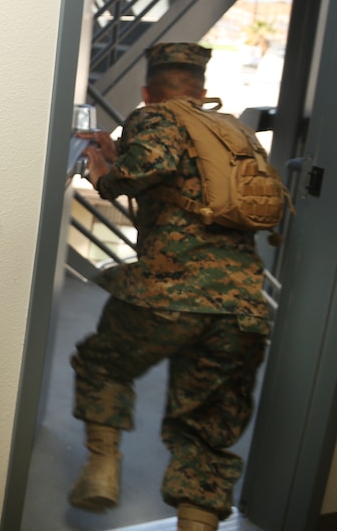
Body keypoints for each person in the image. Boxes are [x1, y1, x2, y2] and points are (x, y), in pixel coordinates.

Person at [69, 42, 271, 531]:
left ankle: (101, 469)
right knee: (206, 424)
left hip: (168, 297)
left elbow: (149, 166)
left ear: (146, 91)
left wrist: (105, 173)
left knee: (102, 364)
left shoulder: (155, 117)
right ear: (203, 91)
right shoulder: (235, 131)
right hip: (241, 308)